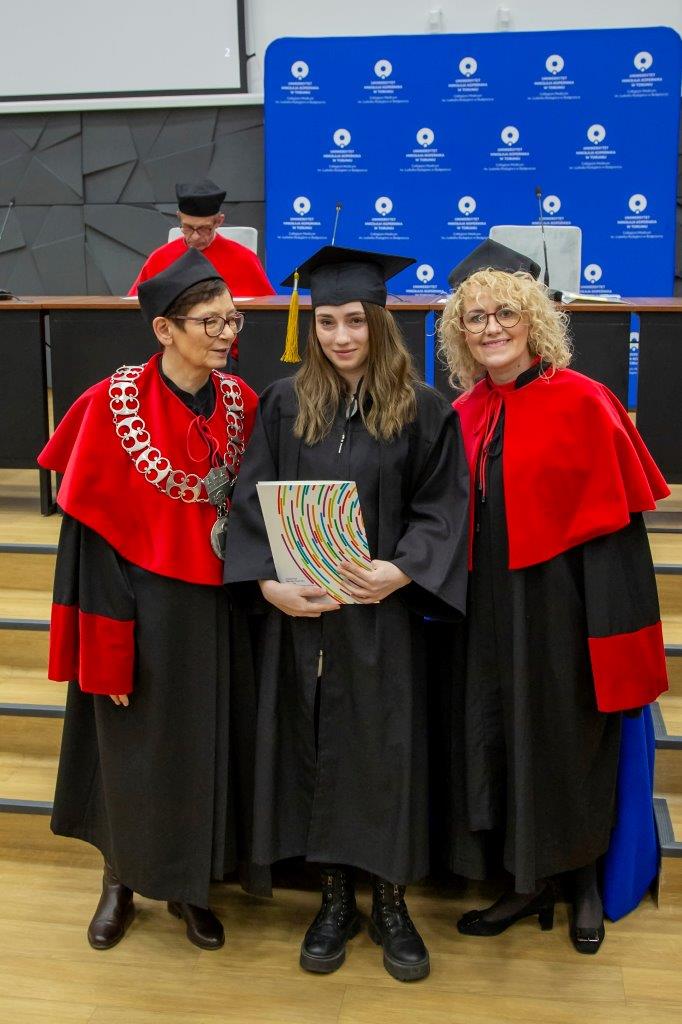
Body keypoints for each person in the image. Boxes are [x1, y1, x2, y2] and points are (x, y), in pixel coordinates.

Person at [223, 245, 469, 982]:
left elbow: (442, 507)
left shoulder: (423, 410)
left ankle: (390, 902)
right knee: (316, 745)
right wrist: (266, 584)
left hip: (382, 614)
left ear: (380, 323)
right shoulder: (284, 403)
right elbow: (249, 499)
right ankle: (333, 899)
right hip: (304, 616)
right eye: (326, 322)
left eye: (354, 321)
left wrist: (404, 569)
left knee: (386, 750)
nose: (339, 336)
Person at [436, 239, 669, 955]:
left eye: (505, 313)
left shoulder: (585, 402)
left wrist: (612, 631)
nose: (491, 328)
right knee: (502, 738)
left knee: (569, 740)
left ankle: (584, 881)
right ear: (460, 333)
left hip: (565, 608)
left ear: (534, 319)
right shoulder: (465, 411)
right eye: (476, 318)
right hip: (486, 609)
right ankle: (526, 879)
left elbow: (617, 539)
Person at [38, 248, 263, 951]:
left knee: (204, 747)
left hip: (216, 609)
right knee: (129, 751)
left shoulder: (242, 402)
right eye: (211, 322)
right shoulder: (109, 406)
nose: (227, 333)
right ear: (165, 329)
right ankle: (120, 880)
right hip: (135, 609)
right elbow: (90, 543)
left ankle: (190, 887)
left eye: (233, 319)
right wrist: (108, 648)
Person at [128, 178, 275, 300]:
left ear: (219, 221)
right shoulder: (159, 258)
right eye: (188, 227)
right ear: (179, 217)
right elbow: (133, 305)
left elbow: (269, 309)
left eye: (204, 229)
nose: (195, 237)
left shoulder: (243, 259)